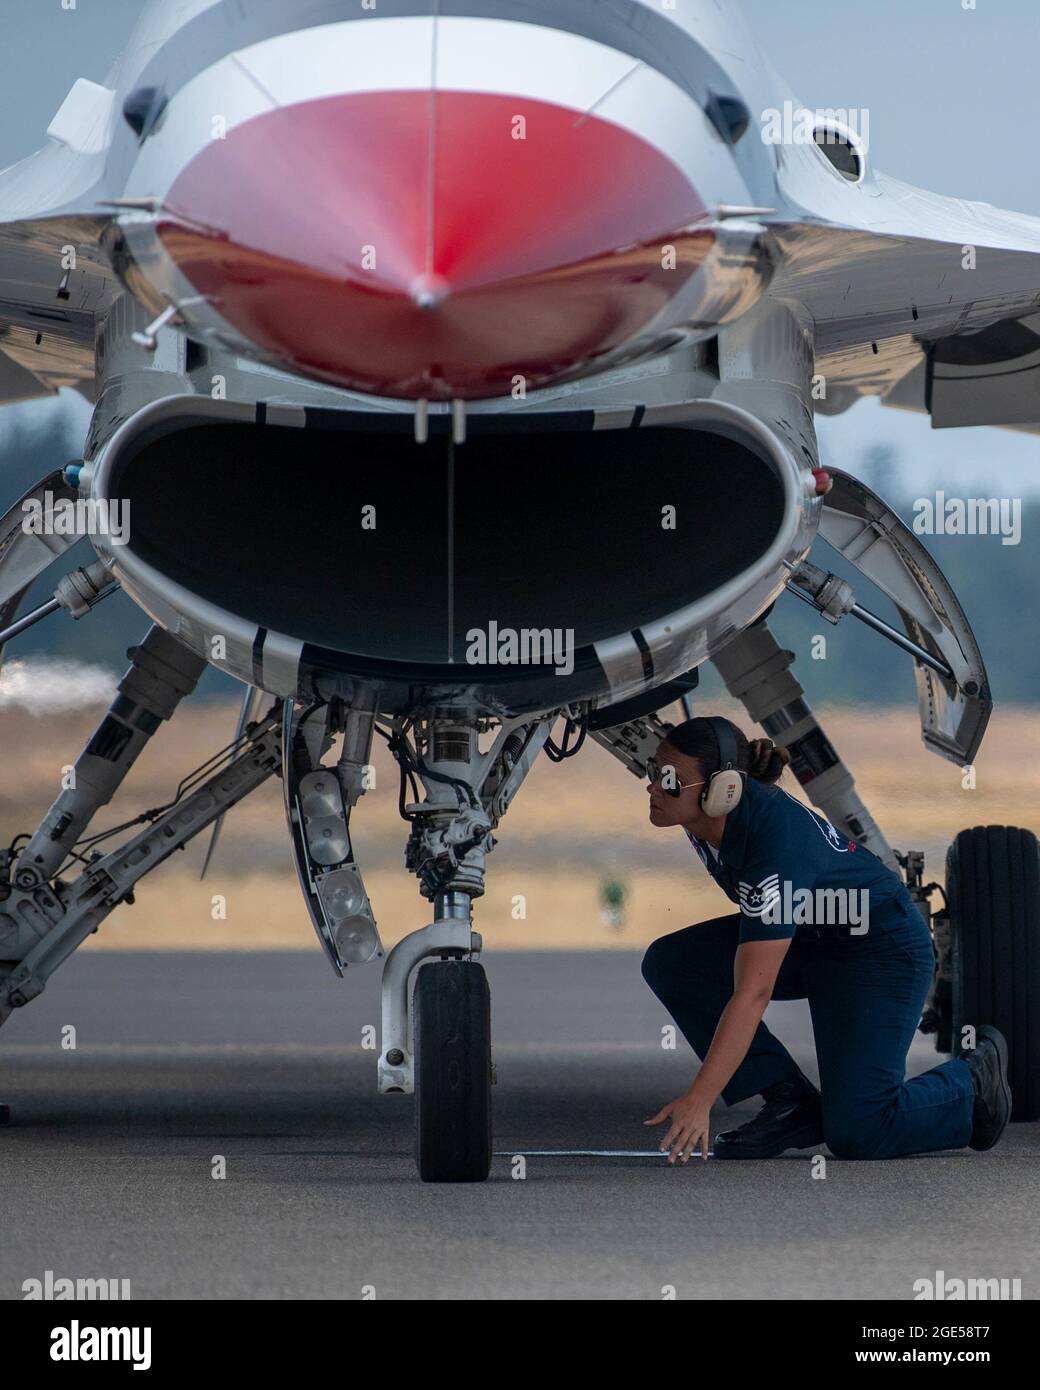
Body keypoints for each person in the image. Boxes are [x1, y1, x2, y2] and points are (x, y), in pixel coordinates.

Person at [640, 715, 1012, 1164]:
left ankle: (970, 1085)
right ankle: (790, 1102)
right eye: (651, 771)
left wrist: (700, 1098)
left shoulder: (774, 847)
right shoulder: (703, 815)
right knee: (672, 962)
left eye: (669, 780)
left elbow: (753, 992)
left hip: (878, 953)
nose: (653, 788)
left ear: (723, 791)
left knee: (860, 1130)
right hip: (813, 938)